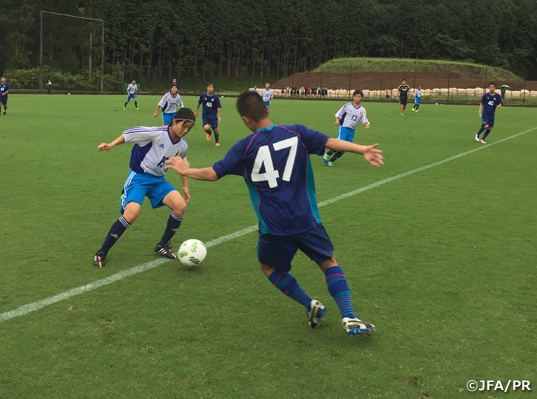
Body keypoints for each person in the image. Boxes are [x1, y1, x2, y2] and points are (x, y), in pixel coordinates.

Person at [166, 91, 382, 336]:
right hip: (306, 219)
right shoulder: (297, 132)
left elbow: (214, 173)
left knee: (268, 266)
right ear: (267, 110)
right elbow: (330, 143)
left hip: (274, 227)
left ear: (246, 120)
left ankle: (310, 304)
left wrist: (188, 170)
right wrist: (362, 148)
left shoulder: (244, 147)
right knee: (328, 262)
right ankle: (349, 316)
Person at [93, 108, 196, 267]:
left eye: (189, 128)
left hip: (159, 181)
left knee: (180, 207)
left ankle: (162, 245)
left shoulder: (182, 145)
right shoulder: (157, 133)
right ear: (175, 121)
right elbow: (131, 133)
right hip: (139, 178)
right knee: (132, 214)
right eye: (184, 125)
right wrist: (111, 144)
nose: (186, 130)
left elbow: (180, 164)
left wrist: (185, 187)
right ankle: (102, 252)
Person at [323, 90, 370, 167]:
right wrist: (337, 120)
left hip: (352, 131)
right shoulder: (347, 106)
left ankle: (331, 161)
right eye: (356, 96)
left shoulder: (362, 110)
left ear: (361, 98)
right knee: (340, 144)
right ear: (353, 97)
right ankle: (328, 154)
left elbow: (363, 119)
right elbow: (339, 114)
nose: (357, 98)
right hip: (344, 128)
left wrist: (366, 124)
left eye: (359, 96)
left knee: (346, 148)